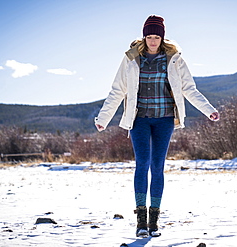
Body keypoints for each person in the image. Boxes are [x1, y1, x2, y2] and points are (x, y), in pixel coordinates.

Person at [94, 15, 219, 238]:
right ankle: (141, 221)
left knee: (157, 167)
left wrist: (208, 109)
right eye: (149, 36)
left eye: (156, 36)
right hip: (139, 119)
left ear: (162, 37)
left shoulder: (174, 59)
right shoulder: (132, 59)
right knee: (142, 164)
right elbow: (117, 90)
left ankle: (154, 221)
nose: (153, 40)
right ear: (144, 37)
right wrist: (103, 118)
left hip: (164, 119)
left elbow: (189, 88)